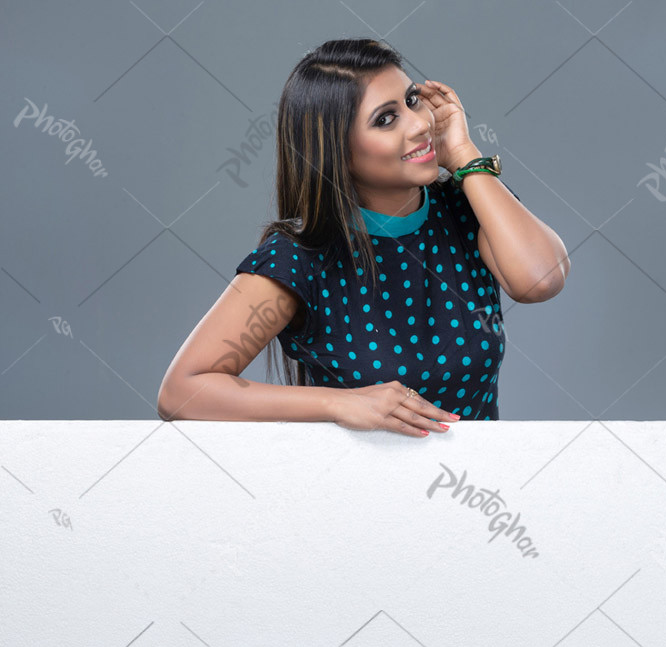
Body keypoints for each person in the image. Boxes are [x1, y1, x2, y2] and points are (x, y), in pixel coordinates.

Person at [157, 38, 570, 437]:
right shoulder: (302, 256)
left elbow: (540, 280)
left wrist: (464, 155)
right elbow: (182, 390)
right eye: (386, 119)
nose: (420, 124)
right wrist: (339, 404)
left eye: (412, 101)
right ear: (335, 150)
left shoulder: (469, 205)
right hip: (355, 500)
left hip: (475, 495)